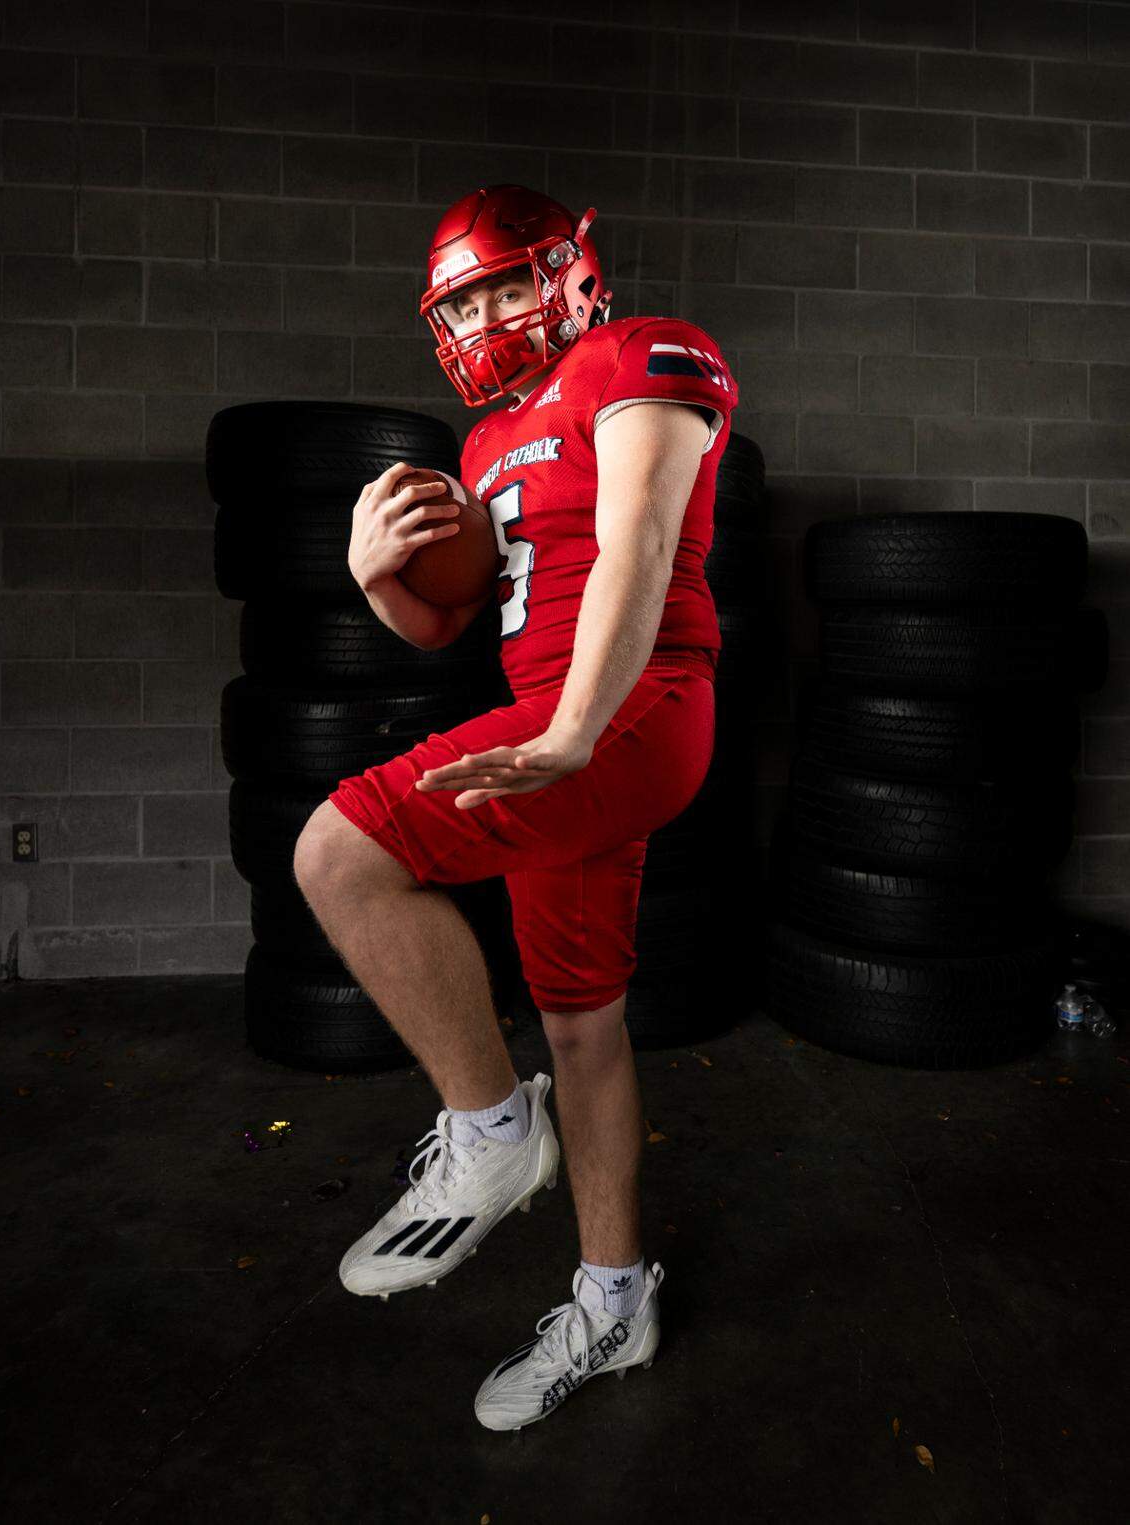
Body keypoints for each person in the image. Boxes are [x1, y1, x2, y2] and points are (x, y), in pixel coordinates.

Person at [293, 183, 739, 1431]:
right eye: (463, 299)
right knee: (581, 1023)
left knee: (337, 850)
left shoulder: (641, 352)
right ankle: (615, 1298)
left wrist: (573, 732)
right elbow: (443, 626)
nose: (486, 312)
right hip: (555, 732)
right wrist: (370, 575)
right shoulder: (483, 443)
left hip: (633, 707)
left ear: (571, 268)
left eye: (503, 282)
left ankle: (491, 1132)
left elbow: (642, 542)